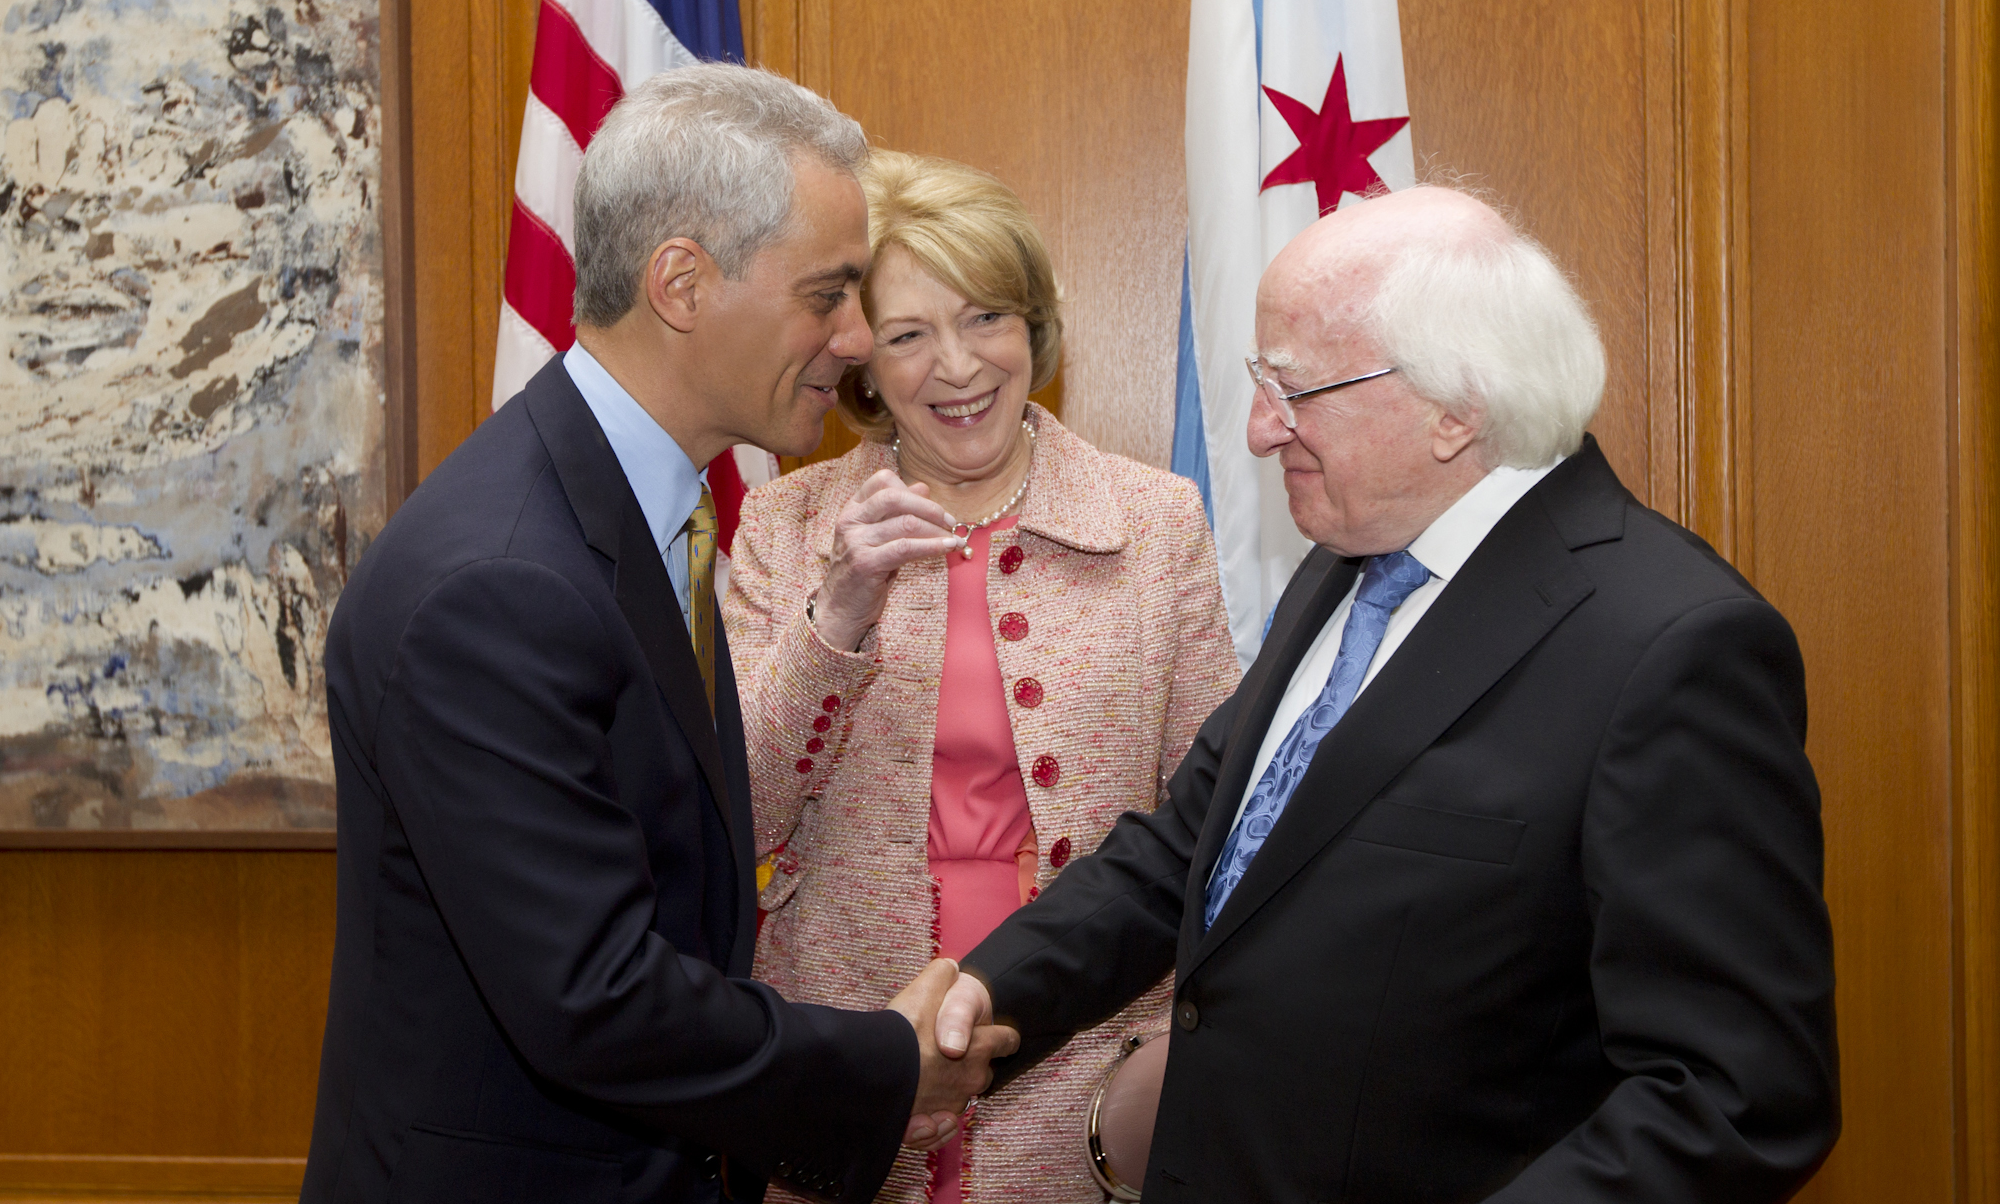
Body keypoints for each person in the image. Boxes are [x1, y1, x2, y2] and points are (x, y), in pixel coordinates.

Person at [934, 185, 1840, 1202]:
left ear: (1457, 407)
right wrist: (980, 992)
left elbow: (1732, 1090)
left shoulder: (1671, 644)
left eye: (1294, 387)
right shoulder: (1342, 565)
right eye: (1257, 380)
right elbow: (1190, 853)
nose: (1259, 431)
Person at [300, 66, 1016, 1204]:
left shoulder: (644, 515)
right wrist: (887, 1061)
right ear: (681, 281)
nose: (858, 335)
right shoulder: (500, 581)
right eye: (829, 292)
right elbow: (594, 995)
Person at [724, 150, 1239, 1203]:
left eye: (986, 317)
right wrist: (843, 608)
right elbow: (737, 814)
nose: (957, 366)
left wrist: (1161, 1072)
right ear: (863, 363)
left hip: (1088, 1063)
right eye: (909, 334)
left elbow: (1216, 829)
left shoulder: (1157, 520)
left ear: (1033, 328)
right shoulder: (786, 526)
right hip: (844, 1062)